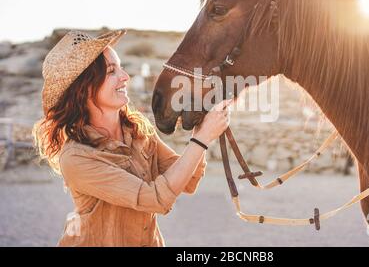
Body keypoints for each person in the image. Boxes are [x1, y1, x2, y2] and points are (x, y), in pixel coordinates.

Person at [32, 29, 232, 246]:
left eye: (121, 67)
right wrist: (201, 139)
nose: (125, 77)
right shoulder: (76, 158)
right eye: (111, 71)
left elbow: (188, 181)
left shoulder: (136, 129)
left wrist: (200, 127)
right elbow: (156, 199)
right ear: (85, 87)